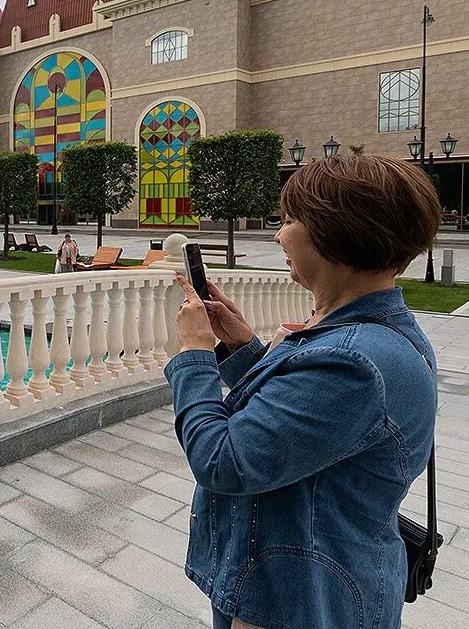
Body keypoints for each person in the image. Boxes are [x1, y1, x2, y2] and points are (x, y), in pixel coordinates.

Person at [166, 154, 440, 629]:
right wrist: (240, 345)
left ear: (338, 230)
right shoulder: (372, 331)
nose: (278, 234)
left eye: (290, 219)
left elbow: (223, 461)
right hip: (305, 579)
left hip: (298, 598)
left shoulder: (353, 360)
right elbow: (307, 422)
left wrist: (194, 353)